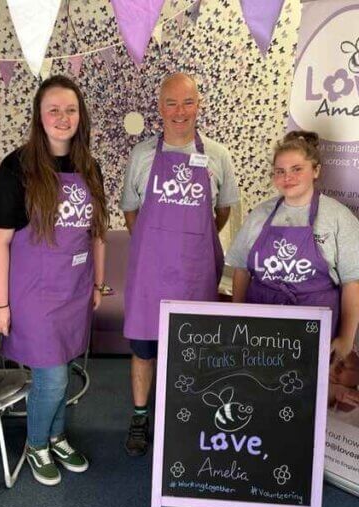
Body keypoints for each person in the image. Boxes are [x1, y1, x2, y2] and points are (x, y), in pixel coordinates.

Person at [0, 75, 108, 485]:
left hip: (74, 290)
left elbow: (96, 234)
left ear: (81, 115)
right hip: (33, 295)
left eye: (70, 109)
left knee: (65, 369)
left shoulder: (89, 166)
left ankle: (56, 436)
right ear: (39, 117)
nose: (63, 117)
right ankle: (37, 443)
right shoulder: (15, 169)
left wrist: (97, 284)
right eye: (53, 109)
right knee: (52, 377)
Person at [121, 72, 240, 456]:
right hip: (150, 275)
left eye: (187, 102)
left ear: (198, 105)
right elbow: (131, 214)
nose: (179, 111)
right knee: (144, 349)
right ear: (160, 107)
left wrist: (192, 238)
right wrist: (160, 244)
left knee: (194, 350)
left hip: (195, 273)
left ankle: (185, 415)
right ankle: (140, 417)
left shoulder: (218, 155)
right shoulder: (141, 155)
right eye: (171, 103)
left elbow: (220, 213)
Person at [229, 130, 359, 364]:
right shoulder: (259, 215)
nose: (287, 177)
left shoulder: (338, 217)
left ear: (316, 170)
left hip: (314, 330)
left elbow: (353, 282)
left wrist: (346, 338)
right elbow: (240, 270)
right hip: (260, 326)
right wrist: (237, 318)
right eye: (280, 171)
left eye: (297, 169)